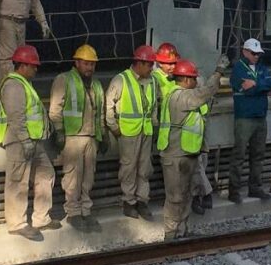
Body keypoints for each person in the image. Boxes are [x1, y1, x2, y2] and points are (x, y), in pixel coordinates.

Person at [158, 56, 228, 241]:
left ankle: (181, 231)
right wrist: (219, 71)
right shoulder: (180, 96)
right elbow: (206, 92)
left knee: (186, 194)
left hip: (186, 153)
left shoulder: (181, 96)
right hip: (176, 155)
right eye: (194, 78)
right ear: (187, 79)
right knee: (175, 197)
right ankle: (171, 234)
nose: (196, 82)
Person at [0, 44, 58, 241]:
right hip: (20, 142)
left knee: (46, 174)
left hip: (34, 140)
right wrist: (25, 141)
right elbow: (16, 118)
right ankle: (17, 223)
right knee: (18, 182)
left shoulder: (23, 84)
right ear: (22, 66)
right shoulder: (14, 85)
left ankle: (41, 217)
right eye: (33, 66)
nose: (36, 69)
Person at [49, 44, 106, 233]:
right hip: (73, 137)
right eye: (86, 63)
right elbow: (55, 109)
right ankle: (73, 212)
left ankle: (85, 210)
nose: (90, 67)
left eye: (92, 64)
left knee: (88, 177)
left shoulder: (96, 84)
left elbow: (100, 112)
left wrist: (102, 134)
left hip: (91, 137)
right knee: (73, 176)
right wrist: (59, 131)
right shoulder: (64, 79)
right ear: (77, 62)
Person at [153, 43, 214, 215]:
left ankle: (195, 198)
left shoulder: (183, 79)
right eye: (168, 63)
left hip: (193, 128)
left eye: (174, 63)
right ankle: (201, 195)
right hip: (175, 133)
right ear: (159, 63)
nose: (171, 66)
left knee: (198, 165)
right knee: (182, 175)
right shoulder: (157, 80)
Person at [105, 45, 157, 220]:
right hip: (128, 132)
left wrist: (153, 124)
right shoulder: (121, 80)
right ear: (139, 63)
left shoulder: (152, 80)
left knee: (144, 168)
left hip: (145, 131)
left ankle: (142, 201)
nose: (151, 69)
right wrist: (114, 127)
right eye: (149, 65)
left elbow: (154, 105)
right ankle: (129, 202)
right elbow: (108, 105)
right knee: (129, 167)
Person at [228, 38, 271, 203]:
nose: (256, 56)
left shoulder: (262, 67)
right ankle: (234, 190)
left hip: (260, 117)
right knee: (239, 155)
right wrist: (260, 86)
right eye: (254, 53)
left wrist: (255, 84)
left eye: (258, 54)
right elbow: (244, 88)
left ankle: (255, 187)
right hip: (244, 117)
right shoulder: (238, 69)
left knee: (258, 154)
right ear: (245, 52)